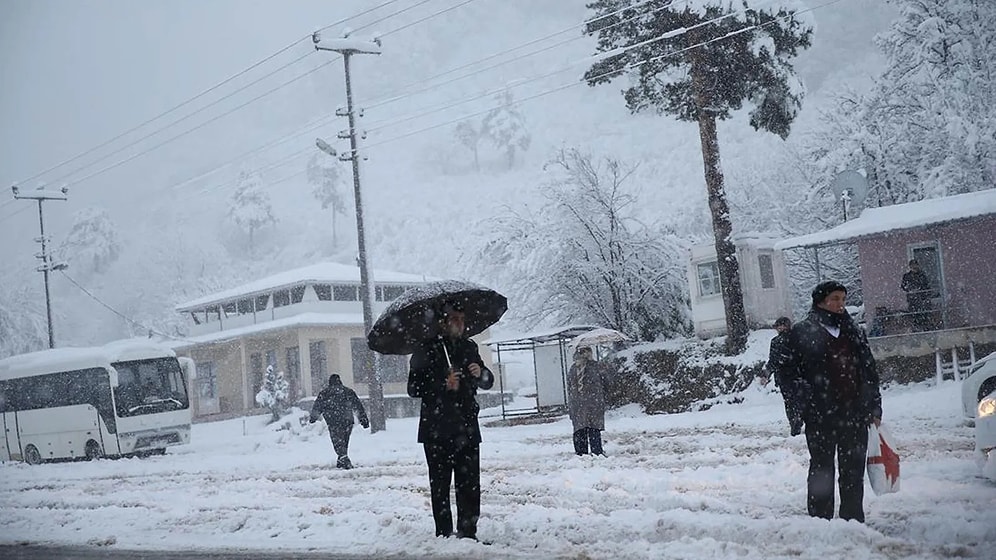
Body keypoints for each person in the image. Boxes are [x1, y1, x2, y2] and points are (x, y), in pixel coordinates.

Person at [781, 280, 883, 523]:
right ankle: (820, 520)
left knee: (853, 470)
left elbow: (868, 371)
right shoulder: (802, 332)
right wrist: (803, 404)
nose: (840, 304)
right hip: (820, 415)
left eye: (843, 299)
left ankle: (852, 519)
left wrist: (874, 405)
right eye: (835, 299)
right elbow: (788, 375)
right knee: (822, 469)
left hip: (854, 413)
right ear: (821, 301)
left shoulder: (853, 331)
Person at [407, 300, 495, 541]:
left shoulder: (469, 347)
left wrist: (481, 373)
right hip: (437, 429)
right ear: (443, 322)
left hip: (466, 426)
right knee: (440, 485)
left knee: (470, 484)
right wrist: (441, 384)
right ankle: (444, 533)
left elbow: (488, 382)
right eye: (455, 319)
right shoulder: (426, 350)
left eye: (462, 319)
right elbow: (413, 388)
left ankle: (468, 532)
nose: (460, 324)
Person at [309, 374, 369, 469]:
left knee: (337, 441)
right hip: (347, 420)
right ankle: (342, 459)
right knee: (344, 441)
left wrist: (313, 418)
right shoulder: (348, 392)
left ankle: (343, 458)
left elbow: (317, 406)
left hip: (333, 421)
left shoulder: (324, 393)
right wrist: (363, 419)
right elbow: (357, 406)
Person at [566, 346, 609, 455]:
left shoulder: (573, 368)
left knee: (579, 428)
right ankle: (596, 451)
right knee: (594, 428)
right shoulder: (595, 366)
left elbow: (569, 386)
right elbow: (606, 382)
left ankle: (581, 452)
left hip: (577, 403)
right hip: (593, 402)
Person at [767, 316, 803, 436]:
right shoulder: (797, 338)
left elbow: (773, 360)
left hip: (784, 376)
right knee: (798, 400)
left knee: (789, 401)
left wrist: (767, 373)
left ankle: (794, 422)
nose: (779, 328)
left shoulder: (776, 341)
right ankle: (798, 418)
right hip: (797, 375)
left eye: (780, 326)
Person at [901, 259, 932, 331]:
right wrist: (911, 290)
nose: (914, 267)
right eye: (912, 265)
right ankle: (916, 329)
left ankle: (924, 329)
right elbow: (903, 286)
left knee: (924, 317)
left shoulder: (922, 275)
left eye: (915, 265)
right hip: (913, 301)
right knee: (914, 317)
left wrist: (922, 292)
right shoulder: (907, 276)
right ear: (910, 266)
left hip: (922, 300)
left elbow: (927, 286)